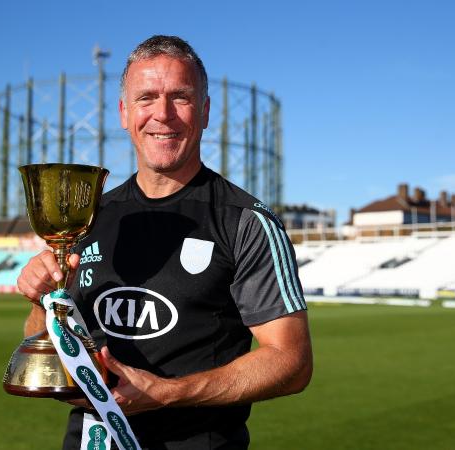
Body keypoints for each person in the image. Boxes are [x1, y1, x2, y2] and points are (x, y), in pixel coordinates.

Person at [17, 35, 312, 450]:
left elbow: (292, 362)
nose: (163, 114)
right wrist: (42, 299)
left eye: (180, 97)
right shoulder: (89, 218)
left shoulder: (245, 222)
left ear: (204, 111)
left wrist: (167, 393)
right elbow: (49, 343)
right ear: (124, 112)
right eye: (146, 98)